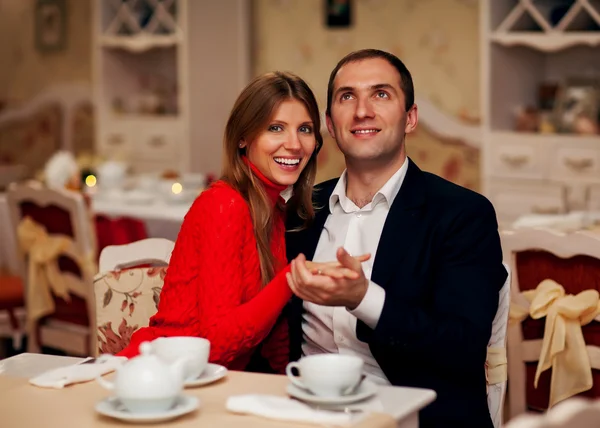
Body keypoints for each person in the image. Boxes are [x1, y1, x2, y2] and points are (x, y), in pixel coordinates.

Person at [285, 49, 507, 428]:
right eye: (347, 96)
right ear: (330, 123)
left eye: (381, 94)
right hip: (303, 414)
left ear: (410, 118)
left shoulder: (461, 214)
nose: (362, 111)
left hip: (414, 417)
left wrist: (363, 299)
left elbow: (463, 346)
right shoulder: (302, 211)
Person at [118, 71, 338, 373]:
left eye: (305, 129)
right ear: (243, 138)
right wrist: (290, 280)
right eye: (276, 128)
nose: (294, 144)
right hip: (159, 377)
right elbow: (216, 345)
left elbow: (273, 332)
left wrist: (290, 385)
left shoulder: (274, 210)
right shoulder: (224, 206)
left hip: (209, 383)